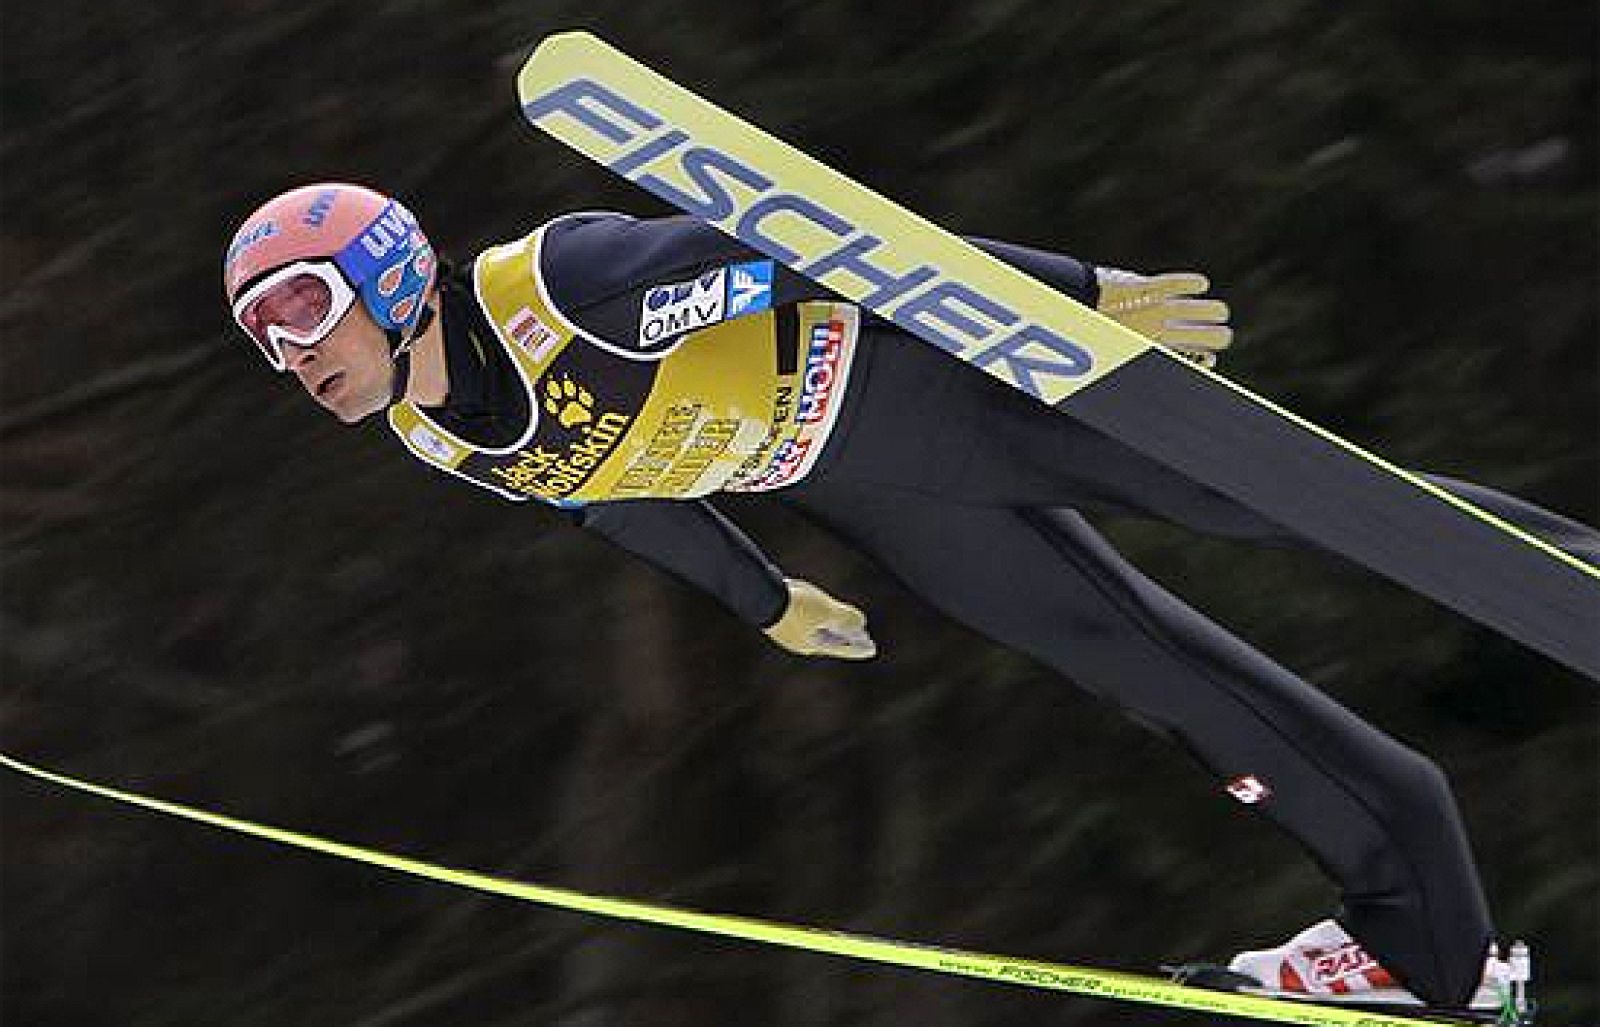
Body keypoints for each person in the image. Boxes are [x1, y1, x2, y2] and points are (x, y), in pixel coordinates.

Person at [223, 181, 1595, 1014]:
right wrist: (763, 601)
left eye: (300, 309)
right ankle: (1427, 936)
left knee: (1255, 493)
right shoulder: (442, 435)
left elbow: (823, 247)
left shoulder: (570, 289)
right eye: (261, 336)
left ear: (390, 273)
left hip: (928, 386)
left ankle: (1572, 576)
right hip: (879, 496)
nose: (291, 356)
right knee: (1146, 670)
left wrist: (1072, 296)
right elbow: (616, 497)